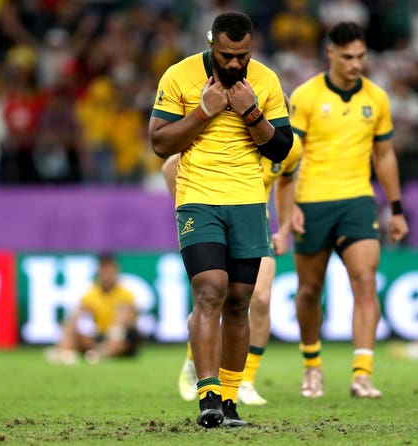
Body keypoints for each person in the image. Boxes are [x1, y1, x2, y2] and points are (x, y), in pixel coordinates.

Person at [148, 11, 293, 428]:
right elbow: (159, 143)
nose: (234, 64)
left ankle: (230, 400)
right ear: (212, 44)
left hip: (248, 201)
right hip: (198, 200)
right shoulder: (178, 76)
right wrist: (202, 113)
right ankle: (208, 395)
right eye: (227, 55)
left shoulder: (264, 80)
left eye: (242, 55)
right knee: (210, 290)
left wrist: (252, 115)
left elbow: (281, 148)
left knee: (240, 300)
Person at [288, 22, 409, 399]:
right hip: (312, 200)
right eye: (348, 57)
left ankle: (362, 373)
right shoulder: (306, 96)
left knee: (365, 278)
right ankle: (312, 367)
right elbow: (291, 157)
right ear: (331, 54)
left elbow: (384, 155)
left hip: (357, 199)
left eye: (361, 56)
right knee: (309, 290)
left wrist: (397, 209)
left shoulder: (377, 98)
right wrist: (289, 205)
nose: (356, 64)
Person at [164, 124, 302, 407]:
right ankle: (194, 362)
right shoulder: (227, 134)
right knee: (212, 299)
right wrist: (185, 207)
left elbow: (287, 182)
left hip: (254, 226)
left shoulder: (288, 146)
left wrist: (284, 228)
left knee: (259, 299)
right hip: (212, 218)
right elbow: (169, 166)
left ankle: (245, 380)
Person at [44, 253, 139, 365]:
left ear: (116, 271)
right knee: (73, 324)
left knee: (118, 331)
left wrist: (111, 337)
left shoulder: (126, 294)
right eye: (104, 271)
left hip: (121, 338)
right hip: (98, 336)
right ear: (98, 272)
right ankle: (66, 351)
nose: (107, 275)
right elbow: (75, 318)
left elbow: (126, 322)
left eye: (110, 271)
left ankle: (100, 352)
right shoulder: (90, 295)